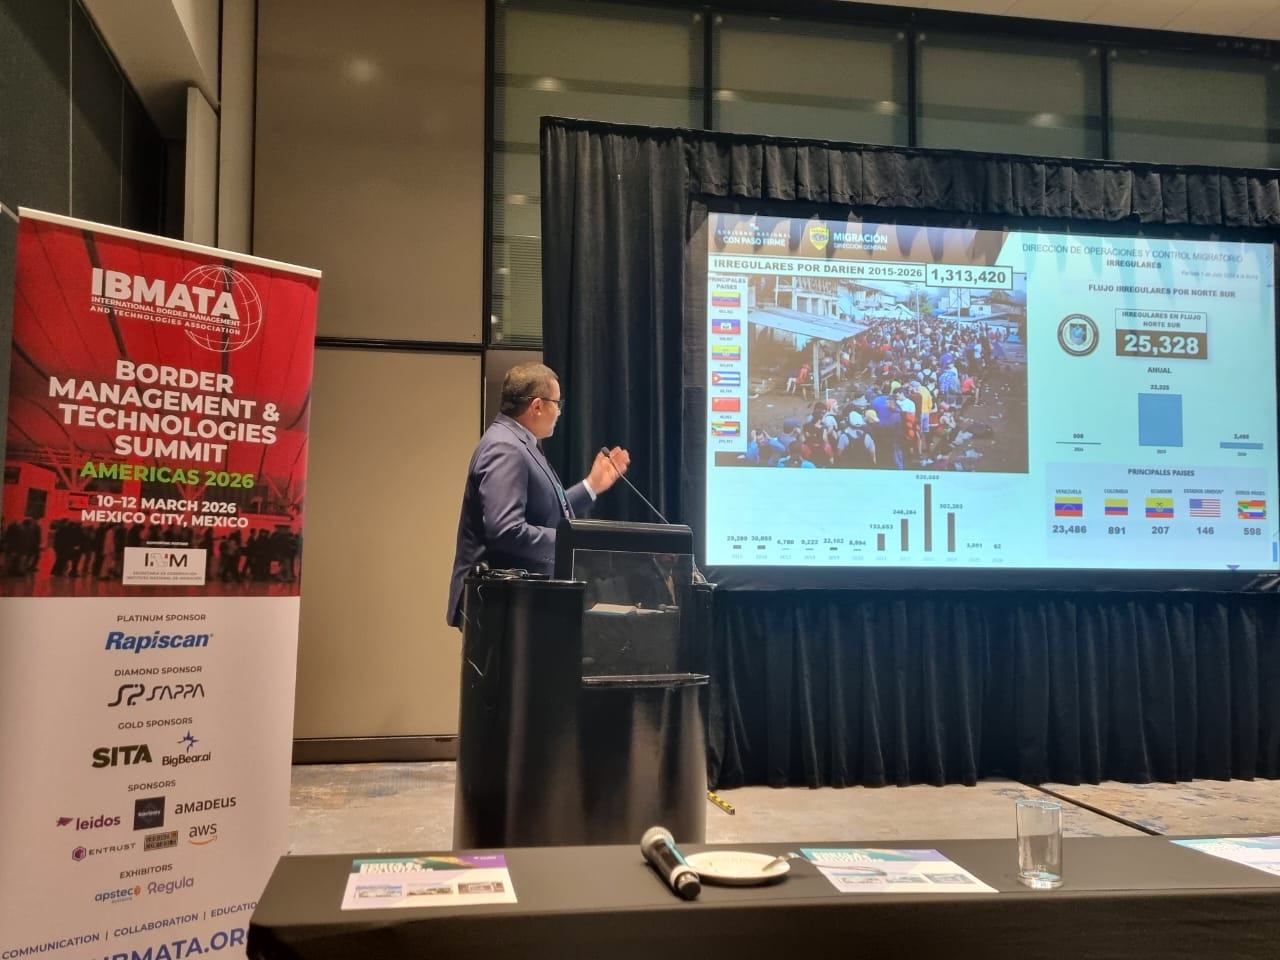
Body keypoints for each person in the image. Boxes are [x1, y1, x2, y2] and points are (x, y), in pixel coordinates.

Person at [446, 362, 630, 628]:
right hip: (500, 607)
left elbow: (545, 511)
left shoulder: (520, 443)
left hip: (513, 606)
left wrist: (592, 485)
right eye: (557, 403)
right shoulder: (505, 447)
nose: (559, 412)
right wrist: (571, 541)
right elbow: (506, 530)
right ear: (537, 406)